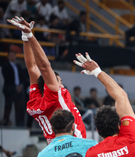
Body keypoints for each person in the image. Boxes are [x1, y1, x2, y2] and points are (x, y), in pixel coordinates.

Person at [7, 16, 86, 144]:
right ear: (50, 84)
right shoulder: (54, 96)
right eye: (59, 81)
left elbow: (32, 67)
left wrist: (25, 37)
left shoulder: (35, 100)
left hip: (53, 146)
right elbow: (44, 66)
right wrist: (30, 35)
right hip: (75, 142)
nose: (61, 84)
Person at [1, 50, 26, 126]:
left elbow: (22, 77)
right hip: (10, 89)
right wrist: (15, 86)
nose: (12, 57)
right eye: (10, 55)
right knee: (8, 106)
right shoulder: (5, 66)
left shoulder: (18, 66)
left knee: (20, 107)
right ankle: (6, 121)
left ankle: (19, 123)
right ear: (8, 57)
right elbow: (7, 78)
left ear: (15, 56)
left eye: (13, 55)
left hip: (19, 89)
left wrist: (20, 85)